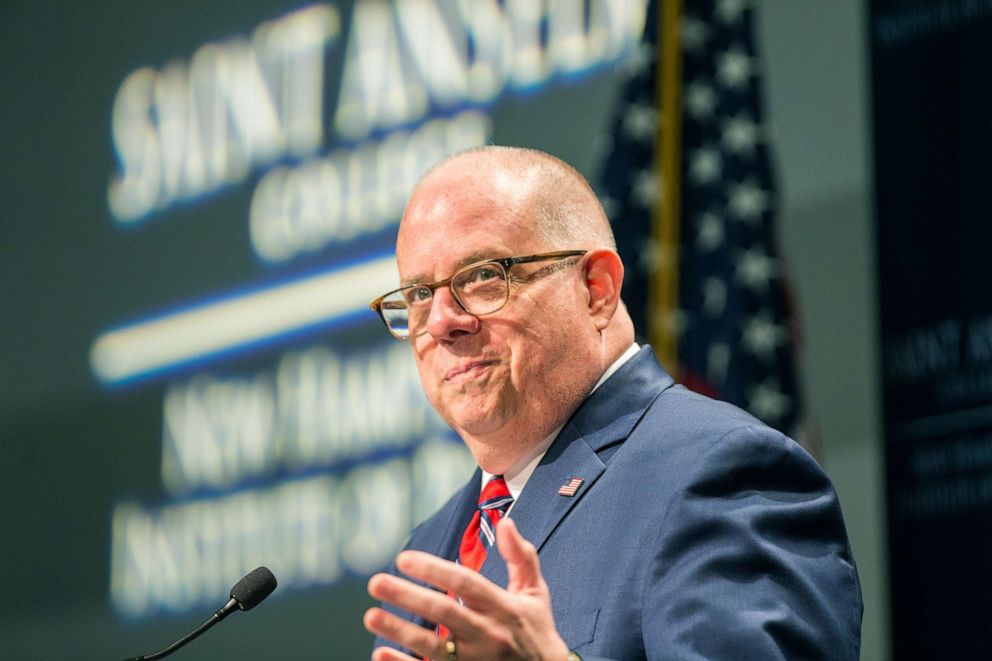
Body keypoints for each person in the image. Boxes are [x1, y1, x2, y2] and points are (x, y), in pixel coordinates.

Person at [363, 146, 862, 660]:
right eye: (420, 294)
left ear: (596, 290)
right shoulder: (426, 551)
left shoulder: (721, 473)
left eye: (485, 275)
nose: (442, 322)